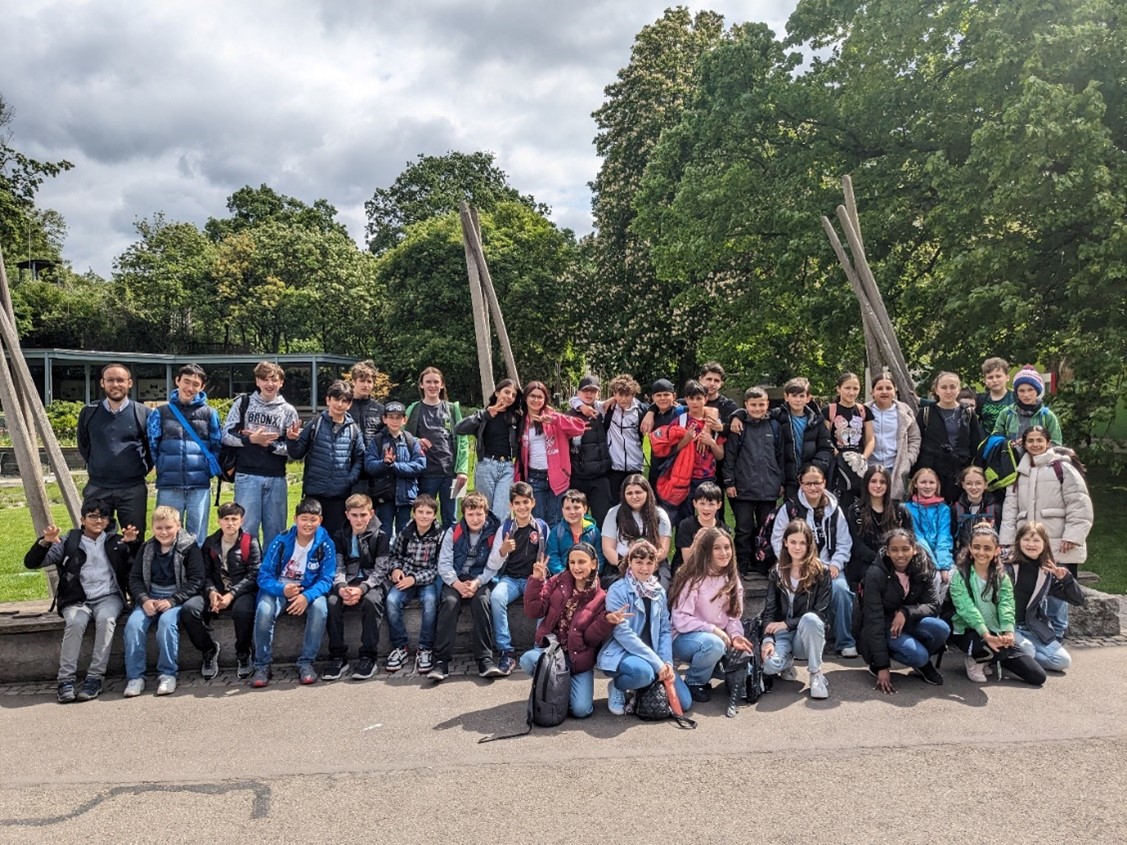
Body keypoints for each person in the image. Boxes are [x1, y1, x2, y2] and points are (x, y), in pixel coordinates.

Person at [24, 498, 139, 703]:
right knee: (76, 622)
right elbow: (32, 562)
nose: (98, 520)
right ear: (82, 520)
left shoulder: (115, 542)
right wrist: (45, 542)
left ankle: (95, 677)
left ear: (108, 521)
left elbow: (134, 567)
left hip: (109, 597)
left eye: (103, 516)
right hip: (77, 599)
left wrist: (132, 545)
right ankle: (65, 680)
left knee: (106, 620)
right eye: (92, 516)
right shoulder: (70, 541)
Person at [999, 426, 1093, 639]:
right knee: (1034, 585)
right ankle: (1038, 634)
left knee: (1056, 587)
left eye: (1039, 440)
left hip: (1057, 539)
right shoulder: (1019, 473)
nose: (1035, 444)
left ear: (1048, 442)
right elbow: (1010, 509)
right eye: (1030, 440)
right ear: (1024, 444)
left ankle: (1057, 633)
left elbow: (1079, 503)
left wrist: (1073, 535)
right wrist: (1006, 541)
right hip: (1028, 543)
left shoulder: (1062, 469)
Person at [596, 539, 692, 715]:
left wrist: (666, 662)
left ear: (656, 565)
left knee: (684, 702)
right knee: (644, 673)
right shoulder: (618, 590)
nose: (644, 568)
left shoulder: (658, 591)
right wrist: (657, 664)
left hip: (653, 655)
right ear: (629, 563)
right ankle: (617, 686)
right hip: (623, 652)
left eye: (649, 563)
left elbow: (664, 629)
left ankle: (641, 688)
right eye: (638, 562)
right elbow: (623, 634)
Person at [769, 464, 855, 657]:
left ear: (824, 483)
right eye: (808, 483)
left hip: (827, 566)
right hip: (796, 565)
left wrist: (836, 564)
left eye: (817, 483)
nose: (813, 487)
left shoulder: (834, 510)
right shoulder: (790, 509)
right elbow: (778, 539)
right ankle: (793, 639)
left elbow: (844, 542)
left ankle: (845, 641)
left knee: (841, 590)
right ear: (801, 484)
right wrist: (793, 562)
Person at [250, 497, 337, 688]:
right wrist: (282, 589)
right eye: (304, 518)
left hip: (308, 591)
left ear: (320, 520)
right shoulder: (280, 541)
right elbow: (264, 576)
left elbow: (327, 579)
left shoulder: (326, 544)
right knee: (264, 611)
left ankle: (306, 662)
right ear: (295, 518)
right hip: (279, 589)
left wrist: (307, 596)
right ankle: (262, 664)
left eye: (313, 519)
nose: (308, 524)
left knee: (320, 609)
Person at [520, 543, 614, 719]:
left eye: (581, 562)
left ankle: (560, 683)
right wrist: (536, 580)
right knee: (527, 660)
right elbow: (534, 611)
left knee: (581, 710)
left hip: (578, 661)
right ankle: (551, 683)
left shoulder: (601, 597)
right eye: (572, 562)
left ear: (593, 564)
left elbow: (591, 640)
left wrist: (605, 623)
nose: (576, 567)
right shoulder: (557, 581)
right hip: (552, 653)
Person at [123, 506, 206, 698]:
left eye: (168, 527)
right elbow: (134, 578)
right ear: (153, 528)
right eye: (159, 528)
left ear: (178, 526)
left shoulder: (189, 547)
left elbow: (196, 580)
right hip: (150, 597)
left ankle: (167, 674)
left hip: (176, 597)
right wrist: (144, 600)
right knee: (133, 626)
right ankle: (135, 677)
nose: (164, 532)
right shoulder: (147, 548)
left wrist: (172, 600)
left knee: (166, 625)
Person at [948, 525, 1046, 685]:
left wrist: (1008, 632)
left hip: (996, 629)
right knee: (991, 647)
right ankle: (976, 660)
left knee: (1037, 676)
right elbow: (966, 608)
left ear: (996, 551)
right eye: (976, 547)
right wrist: (986, 635)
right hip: (969, 630)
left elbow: (1006, 605)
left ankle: (993, 657)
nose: (981, 552)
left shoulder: (1002, 576)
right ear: (970, 549)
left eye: (987, 548)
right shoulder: (959, 575)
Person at [222, 361, 300, 549]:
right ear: (257, 381)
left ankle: (270, 573)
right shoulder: (244, 403)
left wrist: (270, 445)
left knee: (276, 530)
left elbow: (294, 449)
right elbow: (225, 436)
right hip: (247, 475)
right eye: (264, 379)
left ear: (281, 382)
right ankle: (248, 572)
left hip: (276, 477)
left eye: (274, 380)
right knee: (247, 528)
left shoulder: (288, 411)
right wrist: (251, 440)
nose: (269, 384)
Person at [860, 529, 949, 694]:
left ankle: (919, 661)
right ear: (887, 551)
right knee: (919, 655)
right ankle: (917, 660)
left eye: (905, 549)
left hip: (908, 620)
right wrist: (882, 666)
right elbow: (873, 621)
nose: (900, 554)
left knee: (942, 629)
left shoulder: (923, 566)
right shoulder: (875, 573)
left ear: (914, 549)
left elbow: (934, 604)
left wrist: (905, 612)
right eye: (894, 550)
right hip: (884, 627)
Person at [669, 528, 751, 702]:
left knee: (728, 647)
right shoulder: (692, 577)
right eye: (717, 548)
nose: (724, 553)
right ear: (707, 551)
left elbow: (733, 616)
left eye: (727, 547)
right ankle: (694, 681)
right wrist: (713, 630)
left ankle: (713, 670)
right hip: (684, 638)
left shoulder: (731, 577)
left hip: (718, 637)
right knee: (713, 645)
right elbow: (680, 619)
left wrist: (735, 636)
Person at [181, 502, 261, 681]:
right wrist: (211, 592)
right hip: (214, 591)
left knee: (243, 611)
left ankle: (243, 653)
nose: (230, 523)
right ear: (219, 521)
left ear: (242, 521)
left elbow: (254, 574)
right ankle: (209, 650)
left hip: (241, 592)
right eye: (226, 519)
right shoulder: (210, 543)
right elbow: (204, 573)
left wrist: (231, 594)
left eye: (234, 519)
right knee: (188, 610)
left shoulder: (251, 542)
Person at [428, 491, 502, 681]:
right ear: (464, 515)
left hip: (481, 578)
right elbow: (444, 563)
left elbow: (493, 565)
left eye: (479, 514)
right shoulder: (454, 531)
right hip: (456, 578)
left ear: (486, 513)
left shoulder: (494, 533)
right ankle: (440, 661)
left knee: (482, 601)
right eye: (470, 514)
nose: (475, 519)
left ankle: (485, 659)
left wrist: (477, 582)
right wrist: (457, 584)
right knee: (450, 603)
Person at [147, 363, 221, 546]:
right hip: (169, 486)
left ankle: (195, 574)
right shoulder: (160, 413)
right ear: (177, 381)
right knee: (167, 534)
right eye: (186, 382)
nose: (190, 388)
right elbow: (152, 444)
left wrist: (206, 469)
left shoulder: (210, 414)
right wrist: (164, 466)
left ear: (202, 387)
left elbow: (217, 445)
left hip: (199, 485)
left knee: (197, 537)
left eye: (196, 384)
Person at [77, 363, 152, 538]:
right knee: (94, 538)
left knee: (134, 539)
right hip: (98, 487)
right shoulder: (89, 413)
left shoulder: (143, 413)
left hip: (132, 489)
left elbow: (151, 449)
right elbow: (84, 444)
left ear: (130, 383)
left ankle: (131, 567)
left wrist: (139, 468)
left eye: (120, 380)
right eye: (110, 380)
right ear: (102, 383)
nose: (115, 384)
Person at [761, 520, 832, 699]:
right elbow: (769, 610)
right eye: (793, 542)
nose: (797, 547)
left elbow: (820, 614)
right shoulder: (776, 572)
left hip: (806, 635)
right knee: (769, 666)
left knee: (810, 619)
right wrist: (768, 639)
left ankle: (816, 674)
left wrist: (787, 623)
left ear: (809, 545)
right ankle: (786, 662)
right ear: (785, 542)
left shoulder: (821, 572)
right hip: (782, 634)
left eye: (802, 543)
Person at [323, 494, 390, 682]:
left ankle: (368, 656)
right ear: (347, 515)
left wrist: (362, 588)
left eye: (363, 515)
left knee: (372, 601)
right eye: (354, 515)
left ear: (371, 514)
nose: (359, 519)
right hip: (347, 580)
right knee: (332, 602)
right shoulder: (339, 535)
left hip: (372, 582)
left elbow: (381, 570)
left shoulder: (381, 536)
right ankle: (338, 657)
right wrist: (342, 586)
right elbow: (338, 566)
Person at [485, 482, 549, 676]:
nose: (522, 507)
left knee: (547, 598)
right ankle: (506, 651)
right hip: (511, 579)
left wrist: (542, 573)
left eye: (526, 502)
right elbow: (492, 564)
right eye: (518, 503)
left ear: (533, 503)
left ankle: (540, 647)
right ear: (511, 506)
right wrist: (502, 551)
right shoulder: (504, 528)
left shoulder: (541, 527)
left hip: (534, 578)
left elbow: (548, 556)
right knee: (496, 598)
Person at [286, 380, 365, 537]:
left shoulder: (354, 430)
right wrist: (292, 440)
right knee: (310, 536)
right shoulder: (315, 424)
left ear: (349, 404)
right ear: (328, 400)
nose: (339, 404)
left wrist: (350, 479)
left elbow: (360, 458)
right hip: (314, 493)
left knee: (335, 538)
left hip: (339, 496)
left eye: (344, 401)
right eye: (336, 399)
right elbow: (297, 453)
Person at [1006, 521, 1085, 672]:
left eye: (1036, 540)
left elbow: (1078, 600)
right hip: (1008, 626)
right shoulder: (1007, 565)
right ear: (1018, 541)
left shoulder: (1047, 572)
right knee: (1028, 651)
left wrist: (1066, 579)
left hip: (1031, 627)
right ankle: (1021, 657)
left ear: (1044, 544)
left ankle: (1017, 659)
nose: (1031, 544)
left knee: (1062, 661)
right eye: (1026, 539)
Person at [723, 386, 784, 576]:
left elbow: (780, 455)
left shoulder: (774, 427)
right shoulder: (738, 426)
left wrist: (780, 481)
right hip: (743, 488)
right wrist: (729, 482)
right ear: (746, 405)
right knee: (744, 529)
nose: (757, 408)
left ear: (767, 404)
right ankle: (741, 564)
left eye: (761, 404)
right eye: (753, 405)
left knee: (766, 528)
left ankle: (763, 564)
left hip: (769, 487)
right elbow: (730, 456)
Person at [384, 494, 444, 674]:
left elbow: (439, 567)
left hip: (427, 579)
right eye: (420, 512)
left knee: (430, 602)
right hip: (406, 577)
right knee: (392, 600)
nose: (424, 516)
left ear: (435, 516)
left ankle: (425, 648)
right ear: (413, 513)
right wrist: (396, 570)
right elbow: (394, 555)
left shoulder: (440, 536)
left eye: (428, 512)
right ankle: (400, 647)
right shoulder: (405, 532)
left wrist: (416, 579)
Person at [650, 380, 724, 521]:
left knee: (709, 517)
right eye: (691, 398)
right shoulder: (680, 420)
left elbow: (720, 456)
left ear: (706, 399)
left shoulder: (714, 423)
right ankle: (683, 543)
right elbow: (673, 450)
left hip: (706, 477)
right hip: (684, 477)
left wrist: (711, 443)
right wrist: (687, 438)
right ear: (686, 399)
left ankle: (708, 542)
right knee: (684, 519)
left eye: (698, 398)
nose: (695, 402)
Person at [516, 379, 585, 527]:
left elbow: (579, 427)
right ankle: (541, 551)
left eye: (540, 397)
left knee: (557, 521)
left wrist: (555, 420)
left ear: (545, 399)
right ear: (526, 398)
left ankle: (555, 551)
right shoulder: (521, 421)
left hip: (557, 476)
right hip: (534, 477)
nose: (536, 400)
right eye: (532, 396)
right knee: (537, 522)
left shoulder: (553, 416)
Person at [404, 366, 468, 527]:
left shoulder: (453, 409)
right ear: (421, 385)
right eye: (428, 382)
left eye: (436, 382)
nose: (432, 386)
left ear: (442, 385)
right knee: (424, 516)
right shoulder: (413, 409)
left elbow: (463, 441)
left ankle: (449, 551)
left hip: (452, 474)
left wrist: (462, 470)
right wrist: (416, 440)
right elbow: (403, 437)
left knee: (452, 518)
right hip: (425, 474)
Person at [455, 378, 522, 522]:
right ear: (497, 393)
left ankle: (498, 543)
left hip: (507, 468)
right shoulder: (484, 415)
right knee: (485, 509)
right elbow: (459, 429)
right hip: (486, 465)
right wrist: (485, 415)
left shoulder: (516, 417)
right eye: (506, 392)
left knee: (501, 511)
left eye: (513, 395)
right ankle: (486, 542)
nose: (509, 397)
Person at [913, 371, 983, 503]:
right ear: (936, 390)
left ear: (958, 389)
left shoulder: (968, 413)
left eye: (952, 387)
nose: (948, 391)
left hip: (960, 470)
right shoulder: (926, 413)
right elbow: (917, 442)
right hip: (933, 471)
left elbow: (975, 444)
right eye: (944, 387)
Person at [364, 401, 427, 538]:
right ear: (384, 419)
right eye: (391, 417)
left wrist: (395, 466)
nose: (394, 421)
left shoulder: (411, 441)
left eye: (398, 417)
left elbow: (420, 465)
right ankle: (384, 558)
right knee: (384, 530)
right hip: (384, 496)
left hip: (406, 496)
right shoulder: (377, 441)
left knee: (404, 530)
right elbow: (369, 465)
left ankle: (401, 558)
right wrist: (384, 463)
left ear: (405, 420)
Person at [846, 465, 915, 589]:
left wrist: (895, 560)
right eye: (873, 481)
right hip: (866, 563)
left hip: (897, 560)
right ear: (866, 483)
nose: (878, 486)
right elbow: (857, 545)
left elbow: (911, 539)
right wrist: (881, 561)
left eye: (882, 482)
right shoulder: (855, 511)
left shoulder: (900, 511)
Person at [600, 474, 672, 586]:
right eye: (629, 493)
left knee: (662, 588)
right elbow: (608, 548)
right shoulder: (614, 513)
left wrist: (646, 567)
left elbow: (663, 550)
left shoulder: (660, 515)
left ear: (647, 493)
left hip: (653, 564)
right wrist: (626, 566)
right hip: (620, 564)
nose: (634, 496)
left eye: (638, 492)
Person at [771, 377, 832, 500]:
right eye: (794, 396)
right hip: (789, 478)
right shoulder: (777, 416)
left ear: (808, 398)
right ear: (786, 397)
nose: (798, 400)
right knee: (793, 513)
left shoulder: (817, 421)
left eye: (801, 396)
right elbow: (756, 414)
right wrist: (737, 416)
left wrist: (814, 468)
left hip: (811, 478)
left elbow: (826, 448)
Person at [566, 375, 614, 526]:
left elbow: (623, 399)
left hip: (600, 477)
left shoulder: (602, 411)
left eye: (593, 391)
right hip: (578, 477)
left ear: (598, 394)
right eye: (585, 390)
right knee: (577, 522)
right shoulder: (569, 415)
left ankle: (601, 549)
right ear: (578, 393)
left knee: (603, 521)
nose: (589, 394)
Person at [823, 371, 874, 510]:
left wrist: (863, 457)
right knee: (839, 501)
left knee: (859, 502)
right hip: (837, 463)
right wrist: (838, 455)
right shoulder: (829, 410)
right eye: (847, 388)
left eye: (855, 388)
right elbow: (825, 437)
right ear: (838, 389)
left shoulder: (864, 411)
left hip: (858, 463)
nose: (851, 392)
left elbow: (870, 439)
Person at [866, 372, 920, 501]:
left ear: (895, 390)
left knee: (893, 506)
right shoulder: (863, 411)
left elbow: (915, 438)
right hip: (870, 466)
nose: (884, 392)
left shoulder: (904, 411)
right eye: (879, 388)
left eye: (888, 388)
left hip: (895, 467)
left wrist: (909, 459)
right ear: (872, 391)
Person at [903, 468, 955, 590]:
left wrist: (944, 566)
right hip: (920, 556)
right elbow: (917, 537)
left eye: (931, 482)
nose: (927, 486)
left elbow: (944, 537)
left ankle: (937, 607)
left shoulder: (944, 509)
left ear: (937, 485)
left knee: (952, 577)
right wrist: (935, 566)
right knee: (933, 578)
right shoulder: (906, 508)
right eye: (923, 482)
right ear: (915, 484)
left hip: (941, 557)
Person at [992, 366, 1063, 452]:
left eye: (1030, 390)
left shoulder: (1047, 416)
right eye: (1021, 391)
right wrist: (1008, 443)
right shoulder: (1006, 413)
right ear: (1016, 392)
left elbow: (1056, 445)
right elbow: (995, 438)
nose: (1026, 395)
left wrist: (1034, 445)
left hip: (1039, 463)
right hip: (1012, 463)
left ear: (1037, 391)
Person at [671, 482, 730, 579]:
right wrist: (697, 541)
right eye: (702, 503)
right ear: (695, 503)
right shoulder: (686, 525)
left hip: (714, 571)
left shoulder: (723, 529)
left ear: (719, 505)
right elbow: (687, 560)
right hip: (687, 572)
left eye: (711, 504)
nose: (706, 508)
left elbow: (724, 560)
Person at [602, 374, 646, 498]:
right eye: (620, 395)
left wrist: (651, 413)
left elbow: (666, 407)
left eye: (627, 395)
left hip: (635, 465)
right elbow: (576, 401)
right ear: (614, 394)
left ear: (633, 394)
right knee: (615, 504)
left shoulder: (641, 411)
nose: (623, 399)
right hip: (614, 467)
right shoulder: (607, 409)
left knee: (635, 502)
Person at [546, 489, 604, 576]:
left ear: (585, 509)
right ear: (562, 511)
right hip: (563, 578)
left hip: (588, 577)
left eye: (576, 508)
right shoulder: (556, 532)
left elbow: (599, 557)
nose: (572, 512)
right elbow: (552, 558)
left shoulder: (594, 532)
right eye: (567, 508)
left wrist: (591, 574)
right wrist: (566, 575)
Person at [951, 465, 1003, 553]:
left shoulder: (995, 509)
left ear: (985, 484)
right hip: (963, 556)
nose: (974, 487)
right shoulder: (955, 509)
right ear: (963, 485)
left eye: (978, 483)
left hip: (988, 556)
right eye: (969, 483)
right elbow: (951, 537)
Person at [976, 356, 1013, 435]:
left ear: (1007, 377)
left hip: (1011, 444)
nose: (994, 380)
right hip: (987, 444)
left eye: (998, 376)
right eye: (990, 377)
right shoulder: (980, 400)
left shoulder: (1016, 398)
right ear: (985, 380)